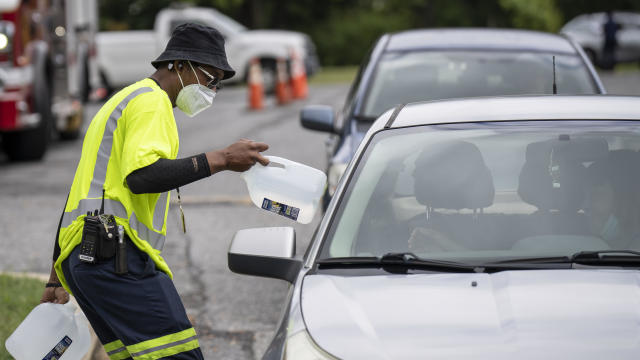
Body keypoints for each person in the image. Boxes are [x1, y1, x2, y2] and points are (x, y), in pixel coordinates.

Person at [39, 23, 269, 359]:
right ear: (178, 65)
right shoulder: (152, 103)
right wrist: (221, 158)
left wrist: (55, 276)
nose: (213, 89)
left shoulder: (122, 100)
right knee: (180, 355)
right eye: (210, 78)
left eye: (218, 83)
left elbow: (77, 196)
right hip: (114, 257)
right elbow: (141, 178)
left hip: (86, 260)